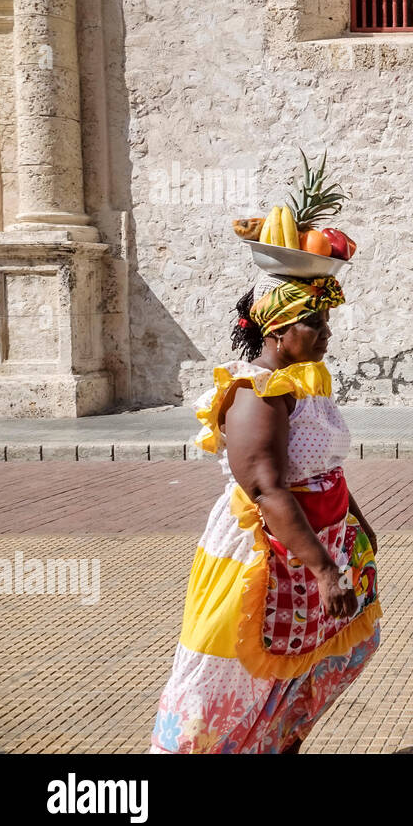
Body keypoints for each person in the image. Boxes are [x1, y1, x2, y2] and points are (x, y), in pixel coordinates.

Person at [150, 274, 381, 753]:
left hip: (319, 547)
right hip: (266, 557)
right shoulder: (255, 391)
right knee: (230, 681)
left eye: (326, 321)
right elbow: (266, 487)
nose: (327, 333)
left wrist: (356, 522)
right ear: (276, 331)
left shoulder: (303, 382)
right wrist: (323, 571)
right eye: (314, 323)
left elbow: (325, 469)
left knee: (301, 672)